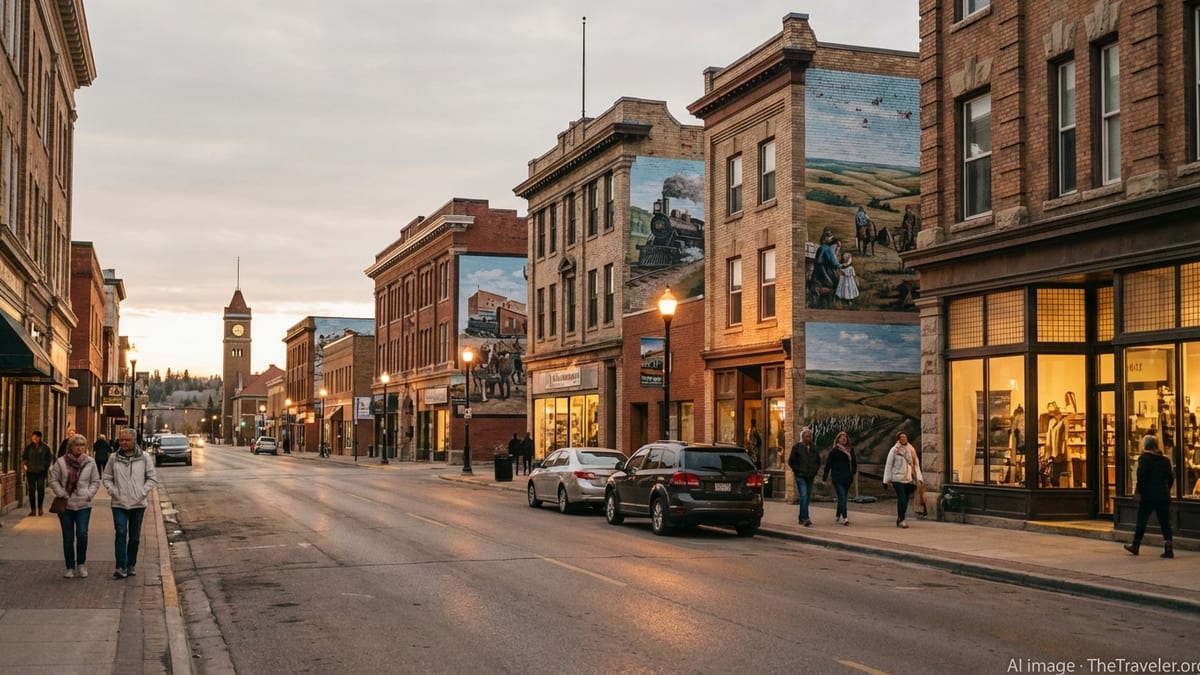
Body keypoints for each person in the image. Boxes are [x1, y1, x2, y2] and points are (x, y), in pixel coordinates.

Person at [102, 428, 158, 579]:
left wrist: (142, 492)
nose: (124, 443)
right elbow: (106, 477)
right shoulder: (113, 458)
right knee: (120, 533)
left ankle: (131, 564)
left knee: (134, 537)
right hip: (119, 503)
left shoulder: (144, 458)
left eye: (127, 440)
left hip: (138, 504)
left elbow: (152, 478)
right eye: (121, 440)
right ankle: (121, 566)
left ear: (134, 441)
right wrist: (113, 491)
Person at [48, 434, 101, 578]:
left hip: (84, 504)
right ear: (70, 447)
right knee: (68, 537)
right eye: (76, 445)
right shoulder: (61, 462)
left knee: (82, 534)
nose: (79, 448)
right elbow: (53, 480)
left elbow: (96, 481)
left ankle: (81, 564)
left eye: (82, 445)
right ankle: (70, 567)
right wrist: (62, 493)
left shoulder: (90, 462)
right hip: (66, 505)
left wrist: (89, 494)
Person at [1124, 435, 1175, 558]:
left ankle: (1135, 545)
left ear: (1145, 446)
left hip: (1148, 495)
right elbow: (1171, 478)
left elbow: (1141, 477)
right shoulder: (1165, 460)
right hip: (1163, 495)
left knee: (1142, 520)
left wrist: (1139, 492)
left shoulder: (1144, 459)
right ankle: (1168, 548)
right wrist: (1165, 489)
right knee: (1165, 523)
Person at [883, 432, 924, 528]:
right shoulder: (894, 450)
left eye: (905, 437)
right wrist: (885, 480)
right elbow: (889, 465)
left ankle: (900, 517)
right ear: (898, 439)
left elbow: (916, 465)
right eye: (901, 437)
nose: (903, 438)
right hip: (897, 478)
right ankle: (902, 519)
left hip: (908, 479)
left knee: (905, 500)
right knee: (901, 498)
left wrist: (919, 478)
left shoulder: (911, 450)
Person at [822, 431, 858, 526]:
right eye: (841, 437)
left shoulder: (850, 450)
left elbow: (854, 463)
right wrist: (824, 478)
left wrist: (852, 473)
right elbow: (828, 465)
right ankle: (845, 517)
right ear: (838, 439)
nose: (843, 439)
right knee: (842, 497)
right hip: (837, 478)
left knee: (843, 498)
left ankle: (838, 515)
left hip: (847, 478)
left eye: (845, 437)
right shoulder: (834, 451)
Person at [788, 427, 821, 527]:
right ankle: (806, 518)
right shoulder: (797, 447)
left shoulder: (814, 448)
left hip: (810, 476)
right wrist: (797, 471)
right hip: (801, 475)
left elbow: (817, 461)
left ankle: (801, 517)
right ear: (802, 437)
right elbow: (791, 461)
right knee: (803, 495)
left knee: (806, 497)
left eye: (810, 436)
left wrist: (814, 471)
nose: (808, 438)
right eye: (806, 436)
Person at [22, 431, 54, 516]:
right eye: (33, 437)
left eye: (36, 437)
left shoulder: (45, 447)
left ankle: (40, 508)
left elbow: (49, 458)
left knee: (40, 490)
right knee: (31, 491)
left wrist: (45, 466)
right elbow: (24, 457)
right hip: (30, 472)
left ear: (39, 438)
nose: (34, 439)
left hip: (41, 472)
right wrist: (25, 465)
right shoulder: (29, 447)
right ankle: (33, 509)